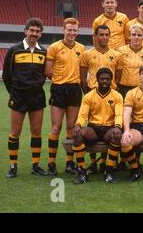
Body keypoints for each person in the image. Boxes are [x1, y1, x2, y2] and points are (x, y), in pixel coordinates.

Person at [2, 18, 48, 178]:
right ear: (26, 31)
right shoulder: (14, 50)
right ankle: (13, 166)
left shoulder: (43, 51)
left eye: (37, 31)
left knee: (36, 131)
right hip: (18, 96)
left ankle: (35, 166)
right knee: (15, 132)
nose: (34, 34)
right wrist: (14, 92)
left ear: (40, 34)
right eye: (32, 30)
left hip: (37, 97)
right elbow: (6, 75)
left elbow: (44, 74)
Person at [44, 17, 86, 175]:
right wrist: (60, 81)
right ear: (64, 30)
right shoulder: (54, 47)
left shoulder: (81, 48)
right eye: (69, 30)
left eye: (75, 30)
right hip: (59, 88)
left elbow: (83, 73)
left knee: (71, 128)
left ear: (78, 31)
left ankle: (69, 163)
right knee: (56, 127)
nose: (72, 32)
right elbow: (48, 71)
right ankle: (51, 164)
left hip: (74, 89)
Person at [79, 24, 122, 173]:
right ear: (95, 36)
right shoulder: (86, 54)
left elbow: (117, 78)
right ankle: (92, 163)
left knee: (109, 126)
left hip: (111, 94)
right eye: (101, 34)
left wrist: (112, 90)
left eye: (106, 34)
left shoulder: (117, 55)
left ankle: (104, 163)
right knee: (92, 125)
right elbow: (83, 78)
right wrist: (89, 94)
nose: (104, 37)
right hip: (93, 93)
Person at [71, 68, 123, 184]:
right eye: (102, 79)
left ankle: (108, 171)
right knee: (77, 135)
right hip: (93, 128)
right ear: (97, 80)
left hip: (109, 128)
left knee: (117, 136)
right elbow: (82, 114)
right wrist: (78, 125)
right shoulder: (89, 96)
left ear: (111, 80)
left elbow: (119, 114)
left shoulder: (117, 96)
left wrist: (118, 126)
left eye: (107, 79)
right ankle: (82, 172)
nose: (105, 81)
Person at [117, 23, 143, 98]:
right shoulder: (120, 51)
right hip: (123, 89)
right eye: (133, 35)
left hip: (141, 89)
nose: (136, 37)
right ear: (129, 36)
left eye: (139, 35)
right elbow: (117, 71)